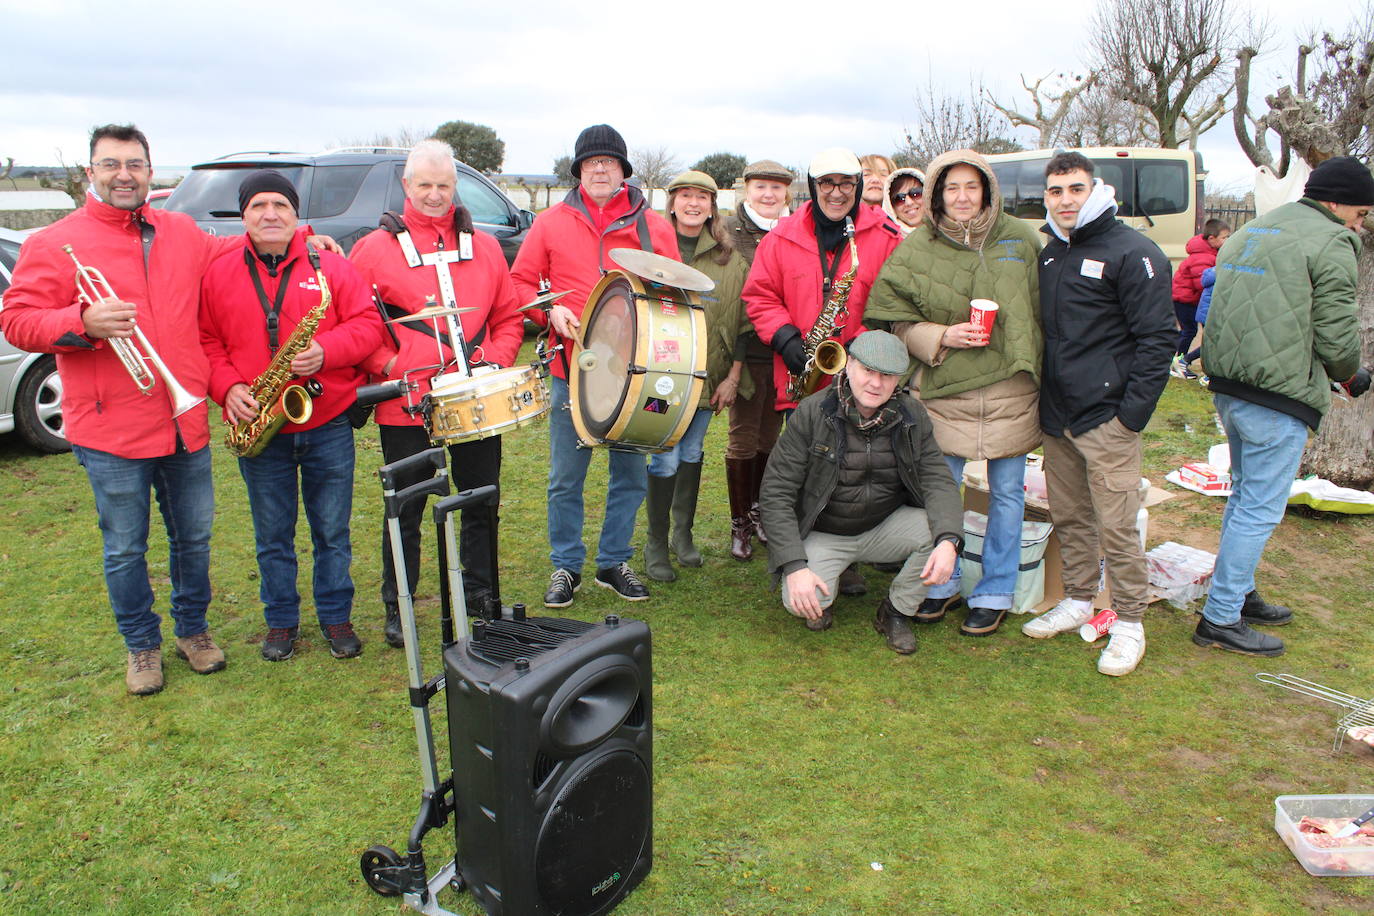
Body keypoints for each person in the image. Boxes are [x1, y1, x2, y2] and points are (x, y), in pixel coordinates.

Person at [0, 124, 230, 696]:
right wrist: (79, 323)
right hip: (109, 427)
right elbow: (16, 319)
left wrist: (306, 238)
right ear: (91, 173)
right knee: (126, 546)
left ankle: (194, 631)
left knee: (194, 539)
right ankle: (141, 647)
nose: (123, 174)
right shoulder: (52, 243)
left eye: (134, 164)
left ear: (151, 173)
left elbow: (238, 250)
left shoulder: (181, 231)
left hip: (184, 420)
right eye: (111, 164)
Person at [199, 170, 384, 662]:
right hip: (260, 422)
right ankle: (281, 621)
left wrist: (326, 350)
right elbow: (205, 342)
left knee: (332, 530)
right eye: (258, 205)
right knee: (272, 534)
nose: (270, 214)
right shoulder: (218, 271)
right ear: (244, 216)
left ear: (294, 213)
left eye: (280, 205)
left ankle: (336, 617)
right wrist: (228, 386)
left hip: (326, 422)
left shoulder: (331, 266)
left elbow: (369, 327)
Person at [1195, 156, 1373, 657]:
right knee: (1260, 507)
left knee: (1244, 498)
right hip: (1278, 393)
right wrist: (1348, 374)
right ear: (1335, 203)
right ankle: (1221, 617)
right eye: (1360, 214)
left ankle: (1238, 590)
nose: (1360, 225)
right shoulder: (1333, 239)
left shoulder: (1255, 229)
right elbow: (1337, 332)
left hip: (1231, 385)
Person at [350, 140, 523, 646]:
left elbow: (509, 316)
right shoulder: (373, 250)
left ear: (456, 186)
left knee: (480, 501)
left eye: (443, 185)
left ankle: (482, 601)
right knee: (406, 508)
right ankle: (398, 605)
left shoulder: (486, 247)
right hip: (407, 404)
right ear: (406, 185)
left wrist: (496, 360)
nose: (433, 195)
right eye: (423, 185)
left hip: (474, 400)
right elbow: (357, 324)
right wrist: (389, 366)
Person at [866, 150, 1043, 637]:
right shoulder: (917, 248)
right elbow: (889, 320)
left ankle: (995, 590)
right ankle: (938, 586)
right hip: (944, 389)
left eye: (972, 186)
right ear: (936, 194)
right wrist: (940, 336)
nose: (962, 197)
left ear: (987, 189)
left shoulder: (1021, 240)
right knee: (941, 491)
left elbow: (1047, 310)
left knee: (1008, 494)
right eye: (951, 188)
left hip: (1011, 387)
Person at [1019, 151, 1175, 677]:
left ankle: (1130, 621)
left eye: (1075, 189)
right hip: (1059, 415)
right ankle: (1079, 598)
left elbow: (1159, 340)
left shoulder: (1134, 251)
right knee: (1069, 516)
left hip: (1108, 418)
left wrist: (1131, 416)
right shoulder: (1050, 253)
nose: (1065, 200)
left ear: (1097, 189)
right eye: (1056, 191)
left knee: (1117, 525)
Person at [511, 124, 678, 608]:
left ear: (624, 170)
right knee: (567, 476)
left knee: (629, 474)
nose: (599, 168)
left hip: (635, 374)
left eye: (608, 161)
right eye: (590, 162)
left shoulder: (653, 227)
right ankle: (566, 565)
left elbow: (677, 294)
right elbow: (521, 283)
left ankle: (613, 561)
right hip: (572, 371)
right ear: (579, 170)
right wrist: (548, 311)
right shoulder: (550, 222)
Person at [745, 147, 903, 597]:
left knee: (857, 472)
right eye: (827, 184)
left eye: (846, 184)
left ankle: (847, 559)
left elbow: (897, 301)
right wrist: (785, 339)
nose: (837, 193)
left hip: (863, 374)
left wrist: (865, 343)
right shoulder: (781, 237)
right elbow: (759, 296)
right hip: (804, 376)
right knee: (810, 472)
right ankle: (800, 559)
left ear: (857, 187)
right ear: (813, 188)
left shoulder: (886, 236)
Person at [758, 331, 963, 653]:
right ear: (849, 366)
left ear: (899, 380)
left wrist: (949, 541)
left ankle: (895, 611)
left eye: (887, 376)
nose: (876, 384)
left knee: (938, 533)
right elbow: (776, 492)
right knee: (799, 603)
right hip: (826, 532)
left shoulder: (913, 415)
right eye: (868, 371)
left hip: (884, 525)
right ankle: (832, 575)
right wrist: (795, 567)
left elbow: (937, 479)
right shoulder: (812, 413)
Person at [643, 171, 751, 581]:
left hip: (710, 376)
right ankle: (655, 544)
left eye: (701, 197)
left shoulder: (729, 259)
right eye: (684, 196)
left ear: (712, 206)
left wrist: (733, 377)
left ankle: (681, 535)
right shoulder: (652, 252)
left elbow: (741, 323)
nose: (692, 203)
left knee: (691, 451)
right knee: (665, 454)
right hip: (660, 378)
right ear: (671, 203)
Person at [721, 159, 794, 561]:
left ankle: (758, 511)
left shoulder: (794, 229)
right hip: (744, 352)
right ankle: (739, 523)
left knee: (771, 437)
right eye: (761, 187)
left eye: (776, 188)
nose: (768, 195)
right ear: (747, 190)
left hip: (783, 351)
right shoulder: (728, 232)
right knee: (743, 436)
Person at [1170, 219, 1230, 379]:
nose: (1227, 241)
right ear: (1211, 238)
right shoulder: (1203, 257)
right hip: (1185, 299)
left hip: (1192, 299)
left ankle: (1179, 361)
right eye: (1224, 238)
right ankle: (1179, 362)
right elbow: (1202, 283)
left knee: (1191, 331)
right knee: (1189, 331)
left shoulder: (1209, 254)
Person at [881, 167, 926, 235]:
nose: (909, 203)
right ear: (891, 207)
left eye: (915, 193)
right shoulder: (888, 242)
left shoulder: (946, 231)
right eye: (898, 198)